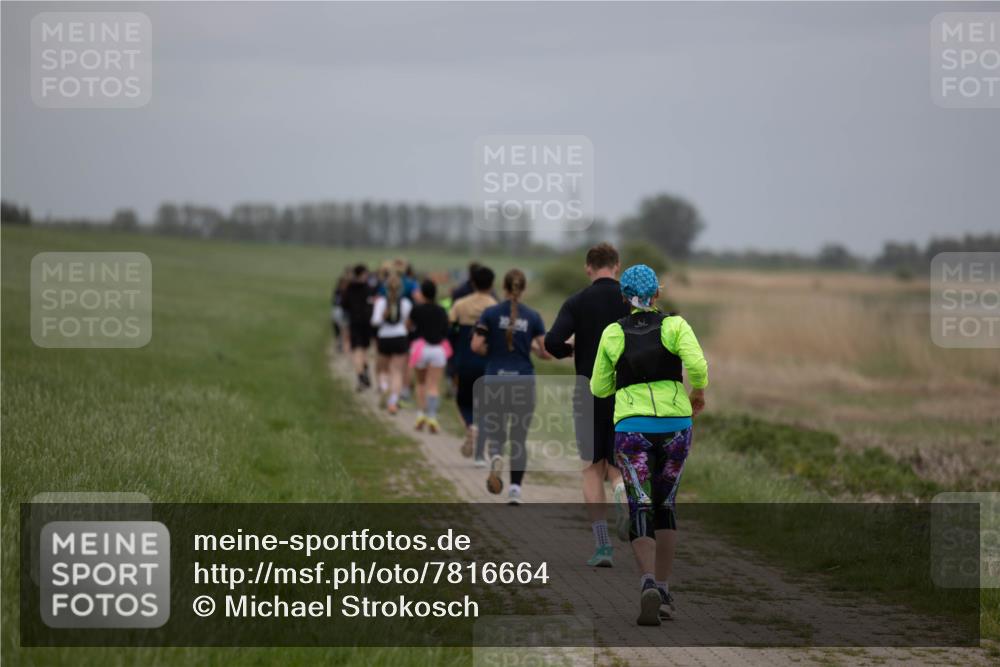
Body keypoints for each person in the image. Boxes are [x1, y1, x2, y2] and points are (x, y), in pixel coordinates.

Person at [590, 263, 708, 626]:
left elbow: (599, 387)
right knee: (665, 505)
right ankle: (665, 590)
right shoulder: (675, 325)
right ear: (657, 293)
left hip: (632, 428)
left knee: (639, 504)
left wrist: (626, 383)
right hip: (676, 427)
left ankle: (646, 584)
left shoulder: (613, 332)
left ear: (624, 297)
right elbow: (698, 366)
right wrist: (697, 392)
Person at [544, 243, 630, 568]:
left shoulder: (577, 301)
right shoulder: (630, 300)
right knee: (617, 465)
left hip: (588, 391)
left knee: (591, 468)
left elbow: (552, 342)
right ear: (617, 266)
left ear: (587, 268)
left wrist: (572, 351)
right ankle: (622, 493)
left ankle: (603, 546)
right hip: (626, 393)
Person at [471, 269, 550, 504]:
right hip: (523, 380)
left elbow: (476, 345)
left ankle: (496, 455)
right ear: (523, 289)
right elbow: (546, 352)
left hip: (495, 378)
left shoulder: (490, 313)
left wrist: (492, 351)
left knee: (497, 431)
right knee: (519, 438)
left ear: (504, 288)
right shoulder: (533, 316)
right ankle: (515, 490)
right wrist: (531, 348)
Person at [449, 266, 497, 461]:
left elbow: (449, 327)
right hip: (488, 363)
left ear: (473, 283)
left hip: (464, 360)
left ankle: (470, 426)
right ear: (492, 284)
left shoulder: (460, 304)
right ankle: (480, 452)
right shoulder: (495, 307)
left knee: (463, 401)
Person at [408, 279, 451, 433]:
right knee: (433, 385)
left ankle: (420, 415)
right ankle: (432, 417)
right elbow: (446, 329)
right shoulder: (441, 310)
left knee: (420, 383)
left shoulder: (416, 309)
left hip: (420, 348)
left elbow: (408, 326)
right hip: (438, 349)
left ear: (423, 293)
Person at [371, 272, 413, 415]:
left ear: (386, 288)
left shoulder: (381, 302)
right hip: (400, 337)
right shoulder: (406, 303)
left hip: (384, 337)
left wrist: (384, 317)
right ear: (401, 288)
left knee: (383, 370)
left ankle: (384, 388)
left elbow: (375, 322)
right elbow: (409, 323)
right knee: (397, 372)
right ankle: (393, 402)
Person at [341, 264, 375, 391]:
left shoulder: (349, 288)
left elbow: (344, 304)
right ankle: (364, 373)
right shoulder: (367, 288)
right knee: (364, 350)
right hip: (365, 323)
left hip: (354, 322)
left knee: (357, 350)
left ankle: (361, 376)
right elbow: (372, 305)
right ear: (362, 274)